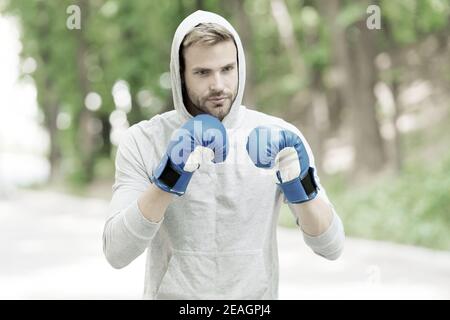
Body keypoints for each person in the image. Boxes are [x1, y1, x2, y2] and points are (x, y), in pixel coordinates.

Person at [103, 10, 345, 300]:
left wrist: (299, 181)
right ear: (180, 75)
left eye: (227, 69)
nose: (218, 84)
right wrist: (169, 175)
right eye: (203, 72)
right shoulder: (144, 140)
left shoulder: (279, 138)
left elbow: (331, 247)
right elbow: (116, 253)